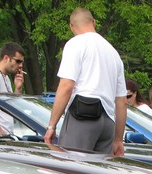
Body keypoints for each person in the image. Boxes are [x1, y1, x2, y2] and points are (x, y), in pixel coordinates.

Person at [45, 8, 126, 156]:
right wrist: (118, 140)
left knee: (70, 167)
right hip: (108, 123)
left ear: (72, 26)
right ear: (94, 23)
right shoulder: (113, 53)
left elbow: (66, 86)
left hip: (82, 117)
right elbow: (121, 101)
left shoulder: (75, 44)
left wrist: (51, 126)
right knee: (99, 170)